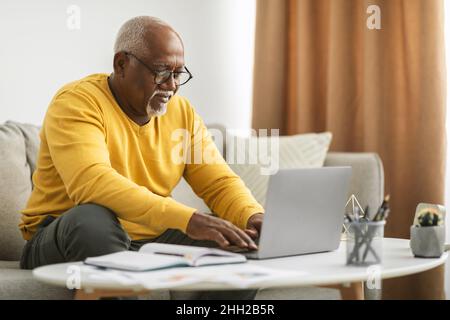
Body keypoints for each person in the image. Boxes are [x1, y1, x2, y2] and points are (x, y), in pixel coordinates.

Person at [18, 16, 264, 300]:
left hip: (146, 236)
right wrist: (187, 218)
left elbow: (218, 182)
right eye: (161, 72)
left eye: (178, 74)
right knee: (92, 218)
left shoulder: (182, 113)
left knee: (239, 241)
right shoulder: (77, 102)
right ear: (121, 64)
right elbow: (92, 183)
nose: (171, 86)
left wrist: (252, 215)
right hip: (63, 234)